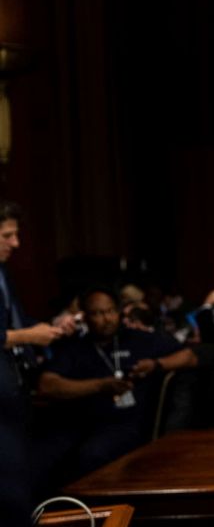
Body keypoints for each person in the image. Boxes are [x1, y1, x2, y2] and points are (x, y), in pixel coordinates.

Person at [31, 287, 198, 496]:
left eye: (110, 311)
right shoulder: (74, 347)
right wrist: (100, 385)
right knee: (40, 458)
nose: (106, 319)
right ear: (85, 316)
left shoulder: (141, 339)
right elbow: (47, 385)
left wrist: (156, 364)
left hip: (126, 422)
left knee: (92, 454)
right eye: (97, 314)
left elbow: (189, 357)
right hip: (77, 421)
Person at [0, 201, 71, 390]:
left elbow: (13, 321)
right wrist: (28, 335)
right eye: (7, 236)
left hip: (15, 382)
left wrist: (51, 326)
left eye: (16, 235)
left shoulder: (3, 271)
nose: (16, 243)